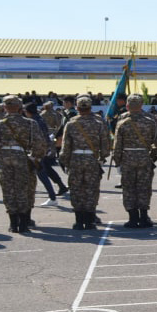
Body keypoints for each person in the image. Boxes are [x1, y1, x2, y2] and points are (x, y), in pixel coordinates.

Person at [0, 96, 48, 233]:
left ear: (5, 108)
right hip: (24, 159)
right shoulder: (30, 123)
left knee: (8, 190)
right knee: (24, 189)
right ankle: (23, 223)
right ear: (20, 107)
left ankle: (13, 224)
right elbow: (39, 144)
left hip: (5, 159)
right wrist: (36, 158)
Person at [58, 95, 111, 229]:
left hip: (75, 160)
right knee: (91, 190)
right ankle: (90, 220)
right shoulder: (99, 122)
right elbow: (105, 144)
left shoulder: (71, 123)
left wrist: (65, 161)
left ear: (77, 107)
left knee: (76, 190)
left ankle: (79, 220)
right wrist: (103, 158)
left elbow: (66, 147)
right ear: (90, 107)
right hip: (92, 160)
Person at [112, 93, 157, 228]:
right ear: (141, 105)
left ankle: (132, 217)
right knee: (144, 188)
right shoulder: (151, 120)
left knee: (129, 188)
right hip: (144, 157)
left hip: (127, 158)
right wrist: (153, 154)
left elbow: (117, 145)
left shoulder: (122, 121)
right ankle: (144, 216)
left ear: (127, 105)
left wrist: (117, 161)